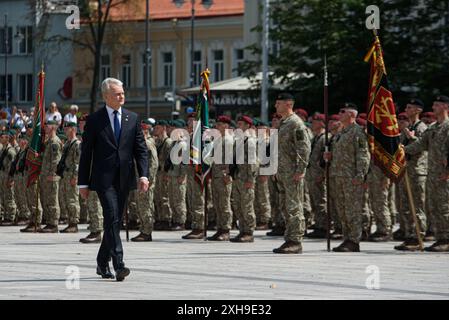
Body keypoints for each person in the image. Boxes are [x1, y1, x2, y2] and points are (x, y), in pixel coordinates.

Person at [78, 78, 149, 281]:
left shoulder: (132, 118)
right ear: (106, 96)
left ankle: (101, 261)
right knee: (111, 217)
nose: (122, 96)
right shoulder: (95, 120)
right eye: (117, 94)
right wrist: (83, 183)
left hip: (125, 178)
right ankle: (118, 264)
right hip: (103, 179)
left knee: (114, 222)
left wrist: (144, 175)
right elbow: (86, 154)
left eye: (122, 93)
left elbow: (140, 150)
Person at [404, 95, 449, 252]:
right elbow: (419, 145)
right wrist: (401, 151)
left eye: (437, 105)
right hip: (433, 174)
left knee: (445, 207)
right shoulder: (433, 127)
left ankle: (446, 239)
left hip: (444, 175)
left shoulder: (448, 126)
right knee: (434, 207)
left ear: (445, 107)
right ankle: (440, 238)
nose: (433, 108)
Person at [324, 103, 370, 252]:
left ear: (351, 115)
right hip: (338, 176)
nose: (339, 114)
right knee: (342, 209)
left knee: (352, 210)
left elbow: (363, 155)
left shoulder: (358, 132)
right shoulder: (340, 133)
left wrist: (360, 175)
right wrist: (329, 156)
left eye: (342, 111)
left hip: (351, 177)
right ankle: (347, 238)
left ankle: (354, 240)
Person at [273, 94, 311, 253]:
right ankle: (289, 238)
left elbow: (304, 148)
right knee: (285, 206)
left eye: (278, 103)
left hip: (292, 173)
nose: (276, 106)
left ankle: (295, 240)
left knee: (294, 206)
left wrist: (300, 171)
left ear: (288, 104)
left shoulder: (296, 123)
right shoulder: (283, 123)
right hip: (282, 172)